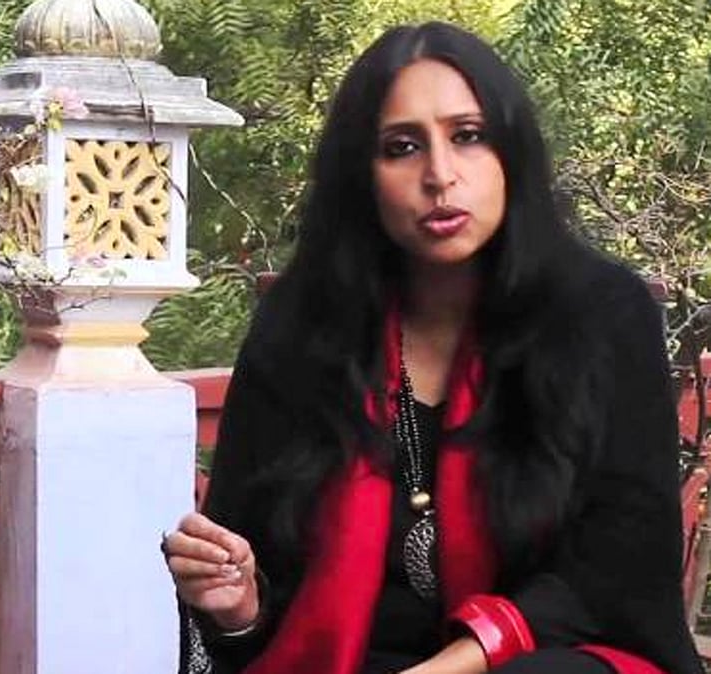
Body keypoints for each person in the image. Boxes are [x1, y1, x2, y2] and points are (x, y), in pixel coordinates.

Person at [162, 21, 703, 674]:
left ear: (511, 153)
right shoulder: (301, 331)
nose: (440, 175)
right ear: (361, 176)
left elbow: (619, 566)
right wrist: (238, 605)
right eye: (402, 147)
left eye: (468, 136)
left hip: (553, 660)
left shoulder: (602, 314)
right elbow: (256, 596)